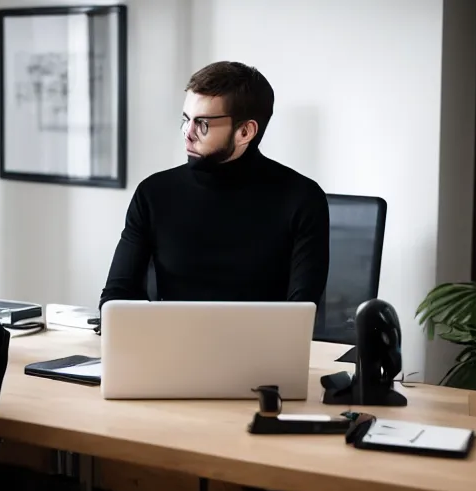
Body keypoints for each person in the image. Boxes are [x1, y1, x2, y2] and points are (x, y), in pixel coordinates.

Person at [99, 61, 329, 309]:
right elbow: (116, 298)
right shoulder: (153, 194)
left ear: (245, 132)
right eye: (186, 119)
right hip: (171, 345)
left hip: (263, 347)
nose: (188, 133)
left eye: (203, 124)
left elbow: (300, 315)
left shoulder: (302, 198)